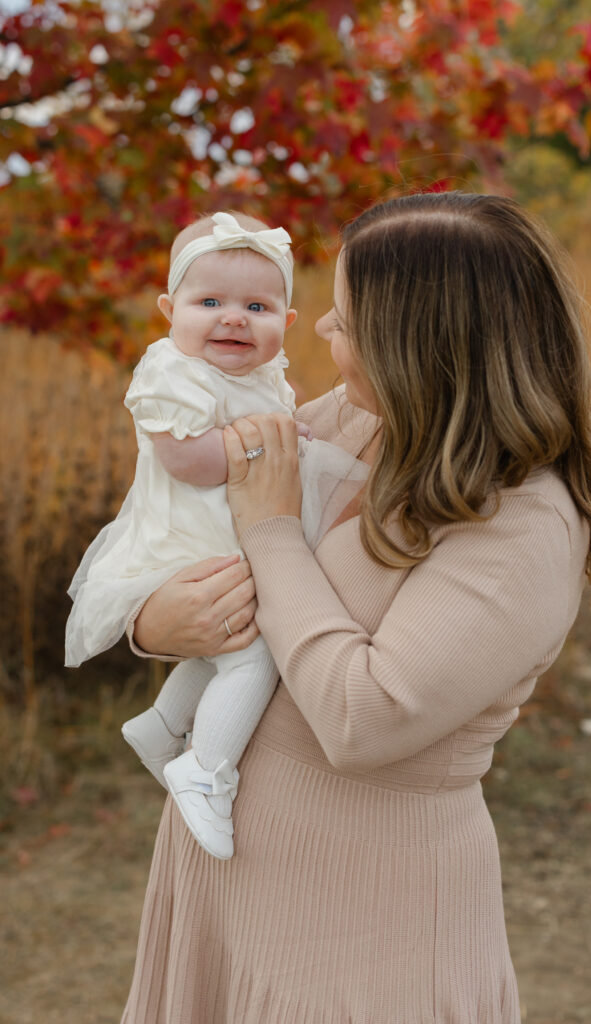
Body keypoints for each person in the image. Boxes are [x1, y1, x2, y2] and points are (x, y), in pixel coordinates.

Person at [121, 192, 591, 1023]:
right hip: (223, 871)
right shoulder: (361, 421)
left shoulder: (522, 522)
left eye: (345, 319)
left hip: (364, 904)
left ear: (421, 343)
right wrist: (152, 623)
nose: (321, 331)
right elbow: (188, 525)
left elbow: (363, 719)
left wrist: (271, 531)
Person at [65, 210, 367, 860]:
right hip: (190, 537)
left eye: (256, 307)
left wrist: (284, 436)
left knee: (224, 645)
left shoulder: (262, 376)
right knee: (254, 649)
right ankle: (206, 767)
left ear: (286, 321)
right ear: (169, 311)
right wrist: (268, 445)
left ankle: (162, 725)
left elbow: (274, 425)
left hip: (233, 531)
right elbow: (187, 460)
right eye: (209, 303)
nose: (233, 319)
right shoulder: (173, 373)